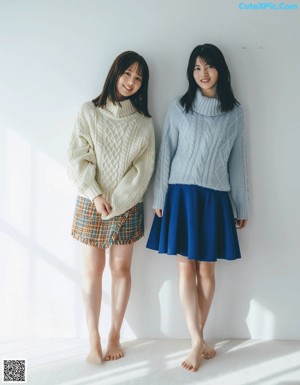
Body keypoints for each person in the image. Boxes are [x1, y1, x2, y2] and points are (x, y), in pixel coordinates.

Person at [147, 43, 248, 372]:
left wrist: (241, 205)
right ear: (191, 73)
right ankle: (196, 340)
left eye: (209, 67)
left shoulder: (235, 112)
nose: (203, 74)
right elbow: (167, 153)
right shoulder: (180, 107)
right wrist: (159, 197)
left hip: (216, 196)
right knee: (184, 269)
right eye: (196, 68)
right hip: (181, 194)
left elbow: (238, 162)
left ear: (220, 69)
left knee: (206, 271)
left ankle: (197, 337)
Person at [67, 51, 155, 365]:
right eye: (127, 74)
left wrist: (115, 202)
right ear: (115, 73)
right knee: (92, 271)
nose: (131, 82)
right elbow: (78, 158)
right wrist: (94, 194)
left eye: (138, 78)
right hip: (91, 203)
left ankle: (115, 334)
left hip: (127, 205)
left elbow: (142, 171)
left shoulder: (143, 123)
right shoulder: (88, 112)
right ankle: (93, 337)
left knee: (121, 269)